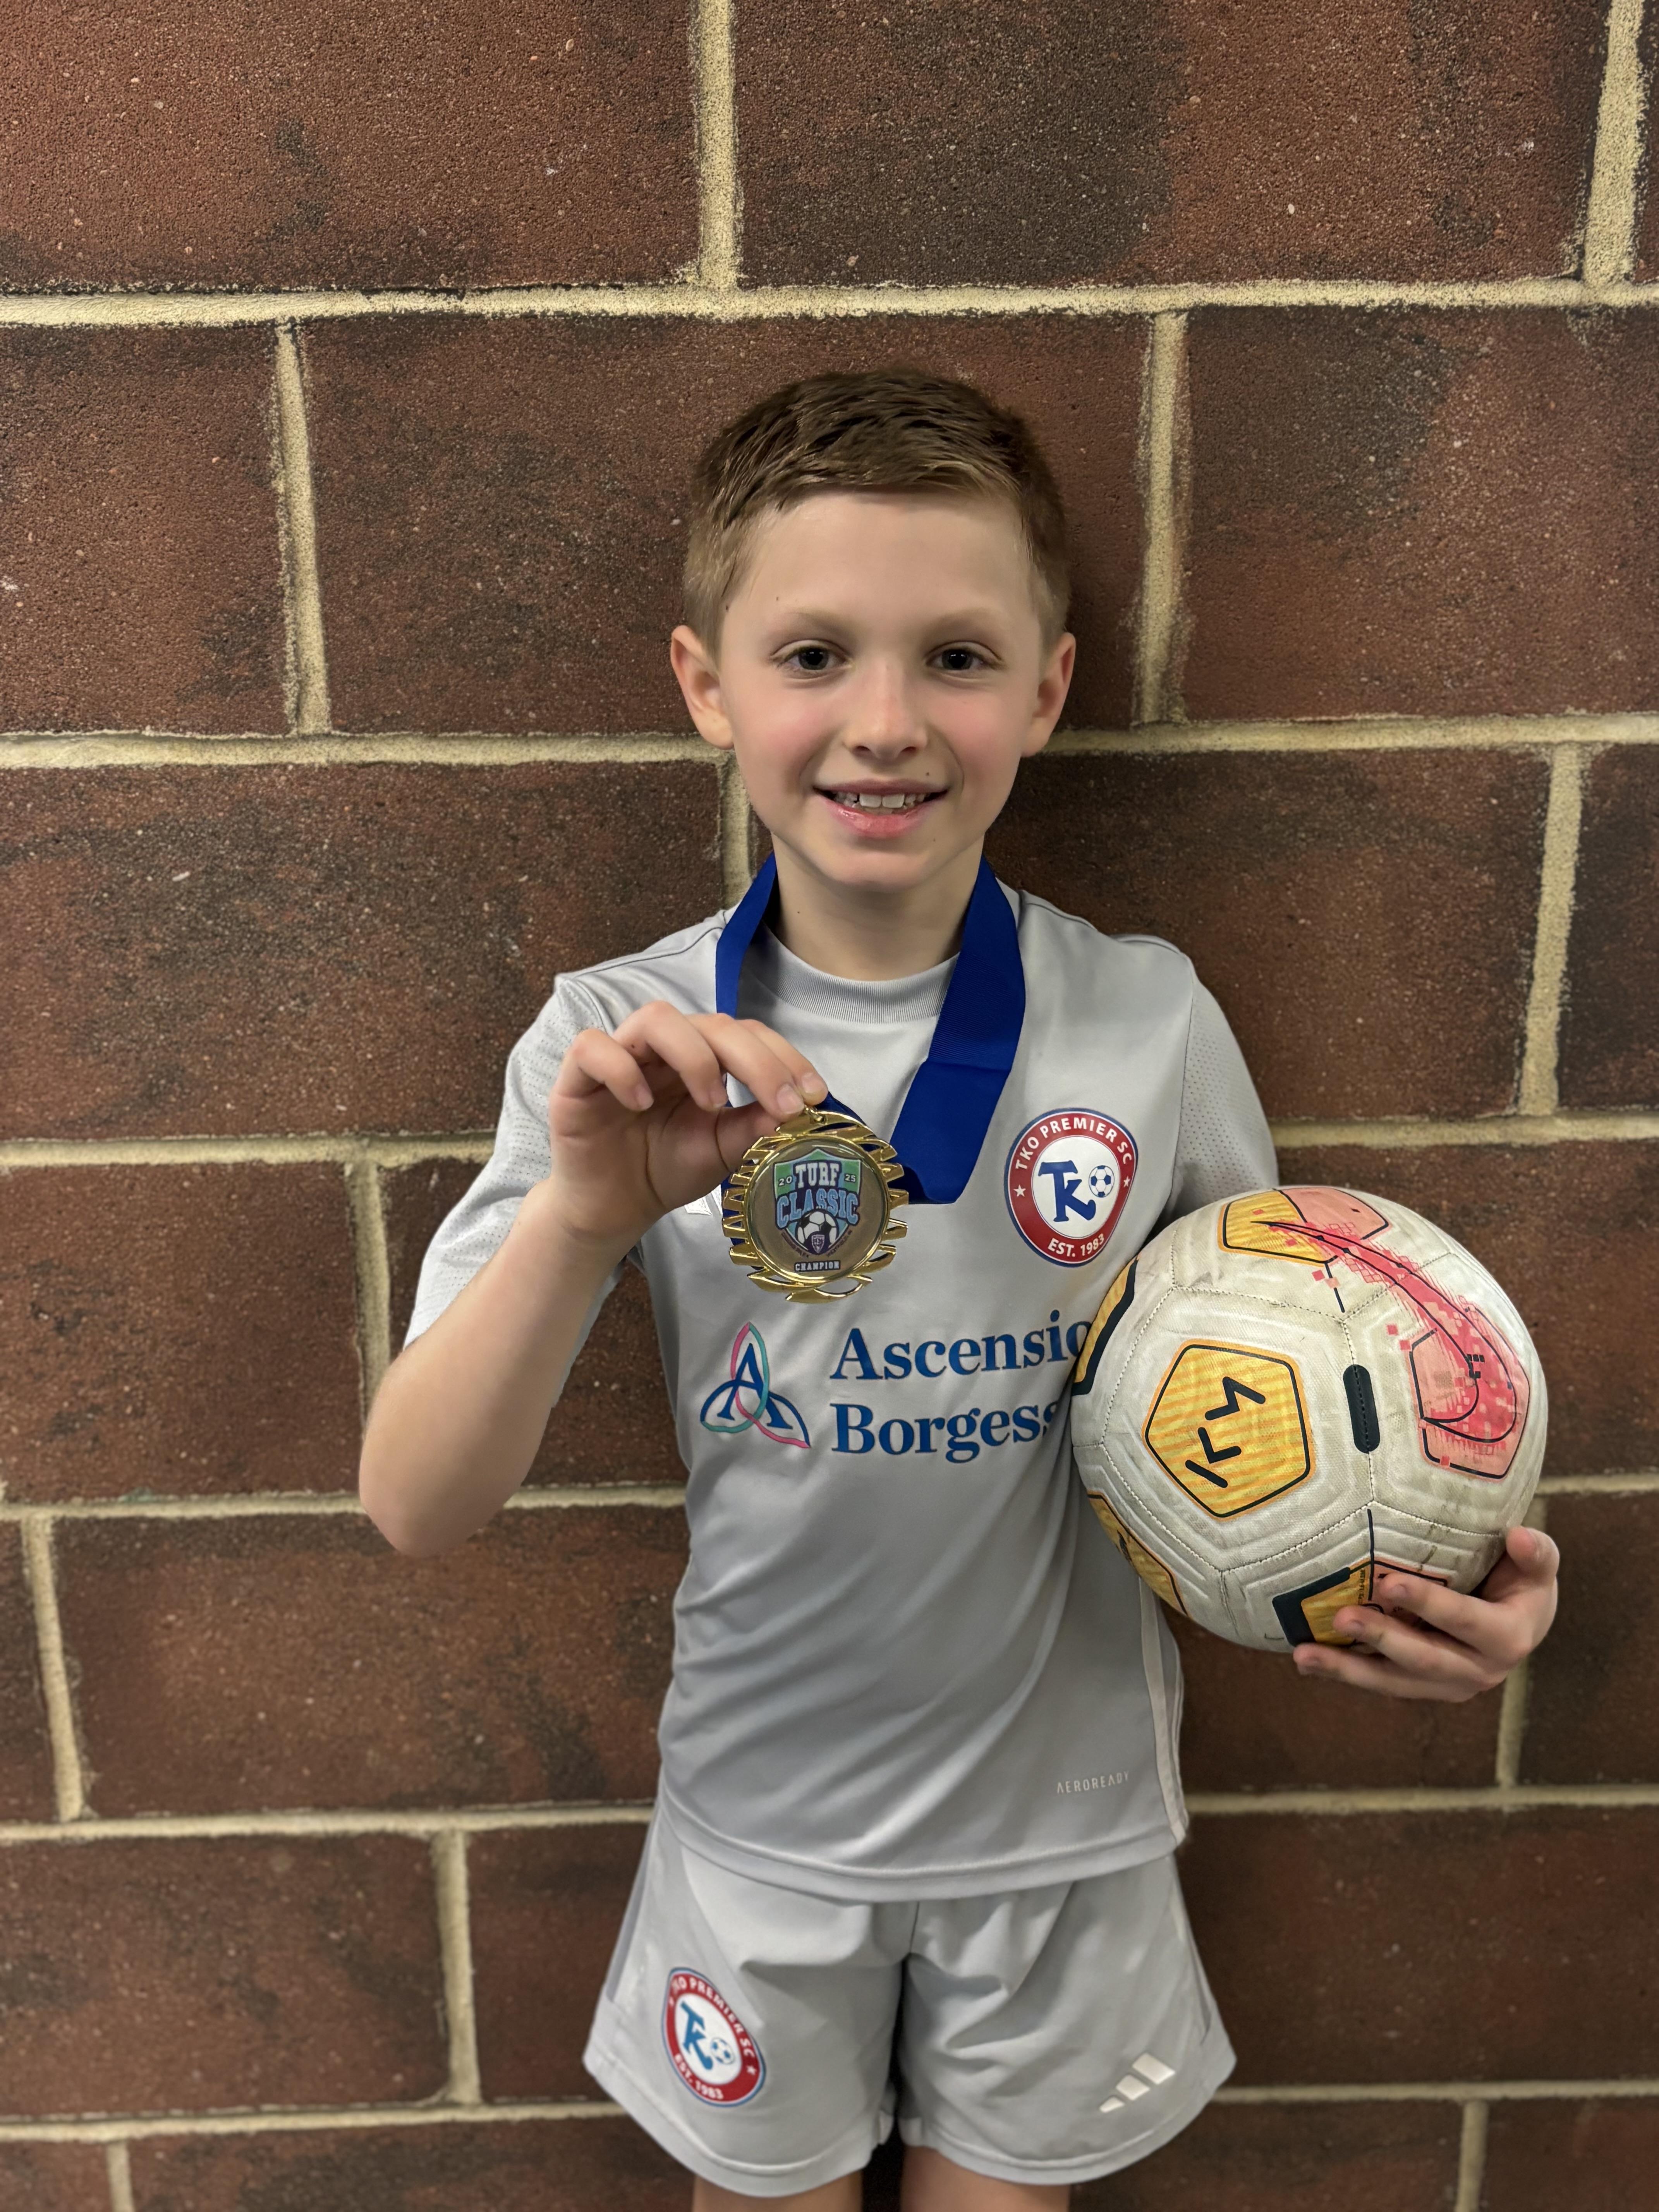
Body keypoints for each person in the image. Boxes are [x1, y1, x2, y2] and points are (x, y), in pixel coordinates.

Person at [357, 370, 1561, 2210]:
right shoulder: (622, 1043)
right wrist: (586, 1218)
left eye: (958, 658)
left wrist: (1454, 1566)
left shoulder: (1146, 1019)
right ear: (705, 683)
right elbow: (415, 1502)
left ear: (1049, 690)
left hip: (1062, 1831)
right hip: (765, 1826)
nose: (887, 722)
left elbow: (1319, 1381)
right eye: (814, 654)